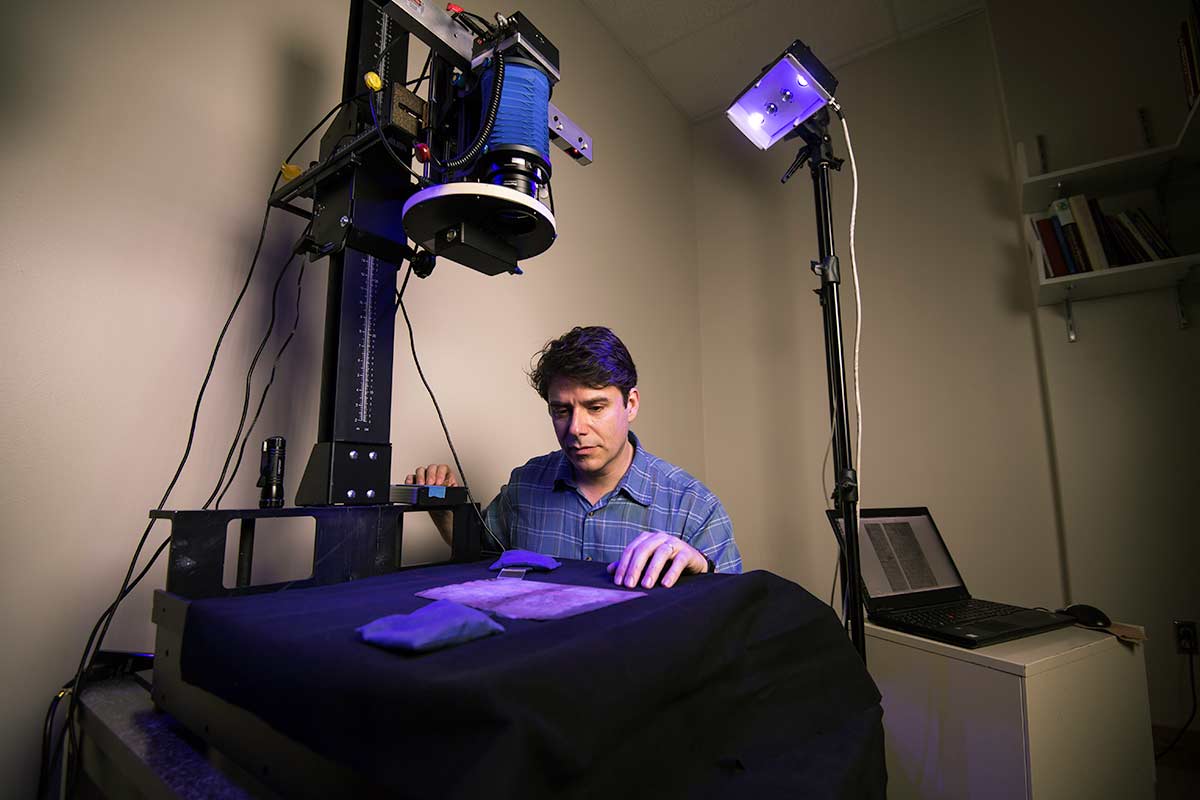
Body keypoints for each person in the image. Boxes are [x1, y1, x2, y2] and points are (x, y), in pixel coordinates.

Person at [406, 326, 742, 589]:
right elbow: (479, 554)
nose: (576, 428)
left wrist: (703, 568)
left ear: (632, 404)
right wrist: (444, 508)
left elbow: (736, 617)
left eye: (595, 407)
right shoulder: (524, 485)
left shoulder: (693, 507)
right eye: (562, 410)